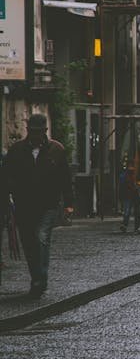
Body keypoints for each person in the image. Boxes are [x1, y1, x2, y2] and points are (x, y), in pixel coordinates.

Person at [0, 114, 74, 297]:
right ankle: (37, 278)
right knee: (29, 243)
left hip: (48, 204)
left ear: (45, 132)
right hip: (24, 205)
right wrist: (5, 201)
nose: (36, 136)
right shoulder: (17, 151)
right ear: (28, 131)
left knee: (41, 237)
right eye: (33, 132)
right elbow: (6, 178)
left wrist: (69, 203)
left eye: (39, 132)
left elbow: (65, 178)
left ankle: (40, 279)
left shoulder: (56, 150)